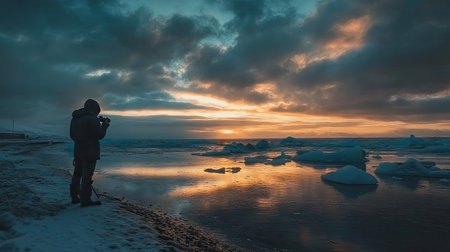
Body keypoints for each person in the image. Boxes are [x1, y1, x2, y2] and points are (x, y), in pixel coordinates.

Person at [70, 99, 110, 207]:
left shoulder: (75, 118)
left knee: (77, 174)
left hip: (78, 151)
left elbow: (72, 135)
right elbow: (99, 135)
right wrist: (105, 126)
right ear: (95, 109)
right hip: (90, 152)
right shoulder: (92, 119)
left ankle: (74, 197)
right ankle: (85, 200)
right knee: (87, 176)